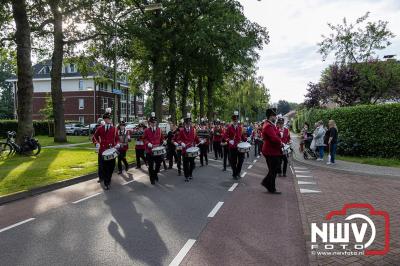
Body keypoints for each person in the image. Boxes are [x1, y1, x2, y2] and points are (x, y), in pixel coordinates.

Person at [93, 108, 120, 190]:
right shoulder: (100, 128)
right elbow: (94, 137)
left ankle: (108, 178)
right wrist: (97, 143)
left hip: (112, 150)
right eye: (107, 118)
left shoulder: (114, 129)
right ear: (104, 119)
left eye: (110, 119)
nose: (109, 120)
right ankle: (106, 182)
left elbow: (117, 139)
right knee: (104, 168)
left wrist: (118, 144)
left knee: (111, 167)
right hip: (103, 151)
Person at [261, 108, 283, 194]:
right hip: (270, 151)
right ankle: (270, 187)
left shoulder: (271, 124)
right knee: (273, 170)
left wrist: (279, 135)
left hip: (273, 150)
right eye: (274, 115)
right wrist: (281, 142)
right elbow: (274, 138)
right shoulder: (268, 125)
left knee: (274, 169)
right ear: (270, 116)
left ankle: (268, 185)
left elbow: (276, 134)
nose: (275, 117)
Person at [175, 113, 199, 182]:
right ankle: (186, 176)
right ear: (185, 124)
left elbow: (196, 138)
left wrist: (199, 142)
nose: (188, 124)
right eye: (187, 123)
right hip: (185, 150)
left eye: (189, 123)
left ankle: (190, 173)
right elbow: (178, 139)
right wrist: (181, 143)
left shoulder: (193, 130)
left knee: (192, 163)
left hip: (192, 150)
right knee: (185, 164)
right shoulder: (181, 131)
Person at [143, 112, 164, 185]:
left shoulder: (159, 130)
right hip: (149, 151)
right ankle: (152, 179)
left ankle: (155, 174)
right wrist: (148, 143)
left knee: (158, 164)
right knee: (151, 166)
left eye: (155, 122)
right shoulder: (146, 130)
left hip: (158, 151)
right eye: (152, 122)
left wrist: (164, 142)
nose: (154, 123)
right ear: (150, 123)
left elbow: (162, 139)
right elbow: (144, 139)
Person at [226, 111, 246, 179]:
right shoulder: (229, 127)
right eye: (234, 120)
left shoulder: (240, 128)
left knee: (241, 160)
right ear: (232, 120)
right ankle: (234, 174)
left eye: (236, 120)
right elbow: (225, 136)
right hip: (232, 147)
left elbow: (242, 136)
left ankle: (238, 172)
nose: (235, 121)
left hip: (240, 147)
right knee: (233, 162)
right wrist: (229, 140)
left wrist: (246, 139)